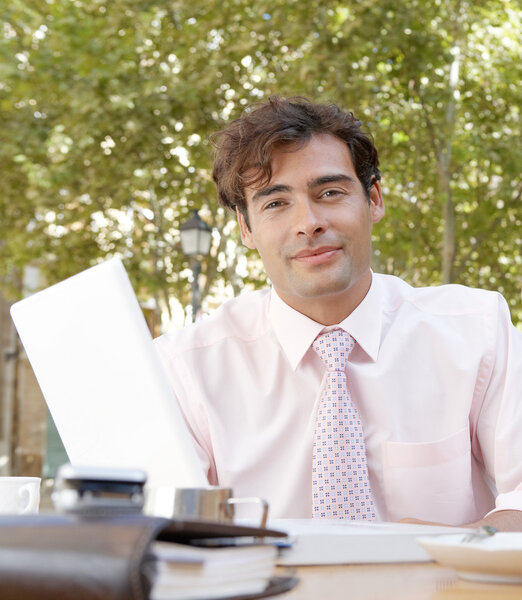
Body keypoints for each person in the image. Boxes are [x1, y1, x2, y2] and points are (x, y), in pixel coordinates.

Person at [154, 96, 522, 529]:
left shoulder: (477, 331)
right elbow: (165, 535)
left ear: (375, 199)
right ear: (245, 228)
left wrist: (431, 556)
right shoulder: (186, 368)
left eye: (329, 192)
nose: (308, 222)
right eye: (275, 203)